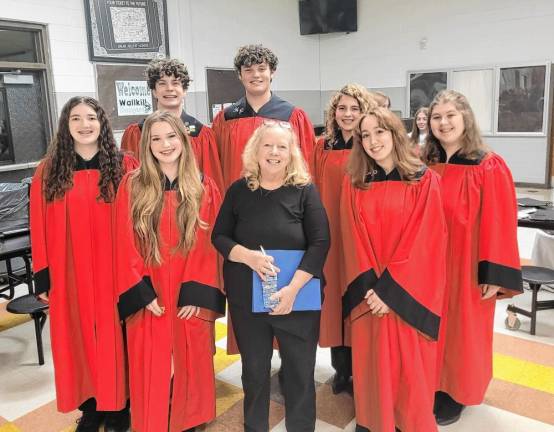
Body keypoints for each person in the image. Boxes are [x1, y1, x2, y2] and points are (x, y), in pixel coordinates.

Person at [212, 121, 329, 432]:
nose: (274, 152)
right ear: (256, 150)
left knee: (300, 373)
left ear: (291, 152)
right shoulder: (239, 190)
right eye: (268, 145)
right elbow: (219, 236)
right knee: (254, 372)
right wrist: (247, 256)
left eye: (282, 146)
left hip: (297, 298)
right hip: (248, 300)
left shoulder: (305, 190)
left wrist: (292, 289)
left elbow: (321, 242)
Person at [30, 96, 137, 432]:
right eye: (76, 118)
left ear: (102, 123)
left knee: (118, 334)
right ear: (66, 126)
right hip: (69, 272)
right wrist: (44, 278)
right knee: (78, 337)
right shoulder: (49, 170)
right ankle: (91, 405)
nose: (84, 124)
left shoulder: (125, 166)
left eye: (91, 117)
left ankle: (120, 405)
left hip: (116, 269)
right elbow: (39, 225)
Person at [115, 111, 225, 432]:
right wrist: (141, 291)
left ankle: (189, 418)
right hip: (150, 287)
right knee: (150, 359)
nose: (165, 144)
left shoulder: (204, 186)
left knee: (191, 355)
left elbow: (209, 245)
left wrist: (196, 292)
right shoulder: (133, 186)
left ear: (183, 139)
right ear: (147, 144)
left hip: (188, 285)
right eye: (156, 138)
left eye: (171, 136)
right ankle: (154, 418)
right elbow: (124, 242)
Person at [341, 108, 447, 432]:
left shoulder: (423, 179)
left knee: (409, 367)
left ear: (394, 133)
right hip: (369, 293)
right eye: (366, 135)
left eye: (380, 132)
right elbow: (352, 236)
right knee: (372, 363)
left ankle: (407, 423)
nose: (373, 141)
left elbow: (426, 239)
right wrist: (373, 290)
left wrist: (389, 293)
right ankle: (375, 420)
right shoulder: (356, 182)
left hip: (405, 292)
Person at [422, 90, 523, 425]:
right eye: (437, 117)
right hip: (431, 264)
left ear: (465, 117)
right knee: (431, 327)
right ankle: (433, 384)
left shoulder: (487, 165)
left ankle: (457, 392)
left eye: (450, 115)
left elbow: (500, 222)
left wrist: (493, 274)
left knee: (463, 331)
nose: (443, 122)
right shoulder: (425, 163)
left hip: (468, 266)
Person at [312, 83, 376, 395]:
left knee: (358, 297)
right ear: (334, 112)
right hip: (328, 237)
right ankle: (341, 369)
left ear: (365, 112)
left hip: (359, 238)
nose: (348, 114)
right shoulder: (322, 146)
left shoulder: (371, 147)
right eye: (342, 108)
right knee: (333, 302)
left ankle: (362, 369)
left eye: (355, 108)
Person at [212, 44, 316, 190]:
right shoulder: (226, 119)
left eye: (262, 69)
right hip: (237, 202)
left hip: (282, 201)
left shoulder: (291, 116)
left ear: (272, 72)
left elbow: (307, 165)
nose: (256, 75)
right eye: (248, 70)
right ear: (240, 75)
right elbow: (217, 168)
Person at [121, 58, 224, 192]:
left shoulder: (201, 135)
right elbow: (128, 184)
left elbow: (211, 188)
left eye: (175, 83)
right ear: (154, 91)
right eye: (162, 83)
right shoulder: (136, 133)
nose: (169, 89)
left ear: (184, 90)